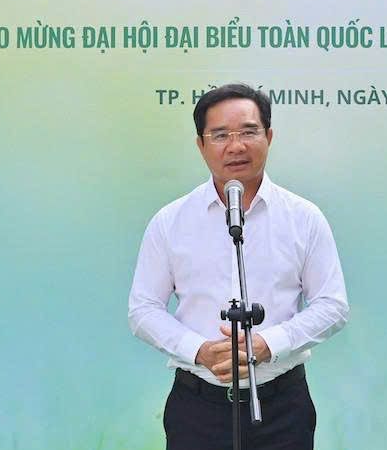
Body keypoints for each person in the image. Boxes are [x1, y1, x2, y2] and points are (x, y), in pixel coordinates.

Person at [128, 83, 349, 450]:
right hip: (197, 407)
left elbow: (332, 306)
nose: (236, 146)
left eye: (248, 132)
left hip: (282, 407)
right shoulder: (170, 221)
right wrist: (199, 350)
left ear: (269, 136)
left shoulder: (304, 218)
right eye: (220, 135)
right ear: (201, 145)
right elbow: (143, 309)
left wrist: (268, 344)